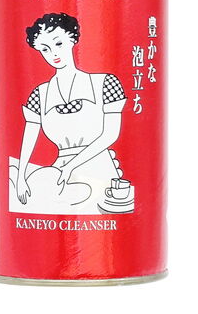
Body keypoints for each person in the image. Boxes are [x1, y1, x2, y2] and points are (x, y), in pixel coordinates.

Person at [11, 12, 128, 214]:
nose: (53, 54)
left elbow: (110, 134)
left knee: (103, 217)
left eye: (59, 44)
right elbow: (28, 139)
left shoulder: (104, 84)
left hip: (98, 168)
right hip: (59, 175)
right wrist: (21, 177)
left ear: (72, 40)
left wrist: (71, 166)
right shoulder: (40, 95)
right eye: (45, 49)